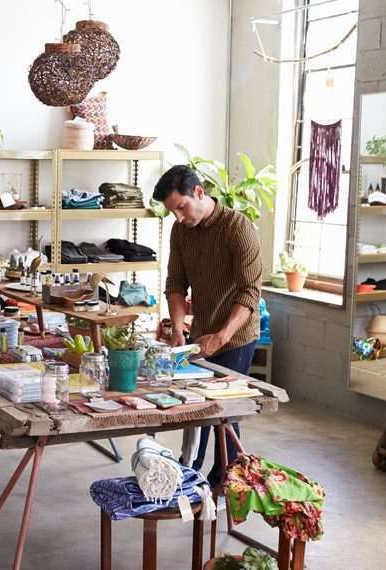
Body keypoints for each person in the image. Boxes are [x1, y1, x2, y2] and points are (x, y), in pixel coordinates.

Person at [154, 164, 262, 486]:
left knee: (223, 411)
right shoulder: (181, 231)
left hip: (236, 335)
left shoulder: (238, 229)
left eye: (181, 207)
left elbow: (250, 292)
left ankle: (225, 479)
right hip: (200, 333)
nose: (178, 217)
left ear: (199, 192)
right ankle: (191, 471)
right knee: (197, 405)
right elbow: (175, 284)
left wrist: (223, 335)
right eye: (172, 211)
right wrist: (177, 328)